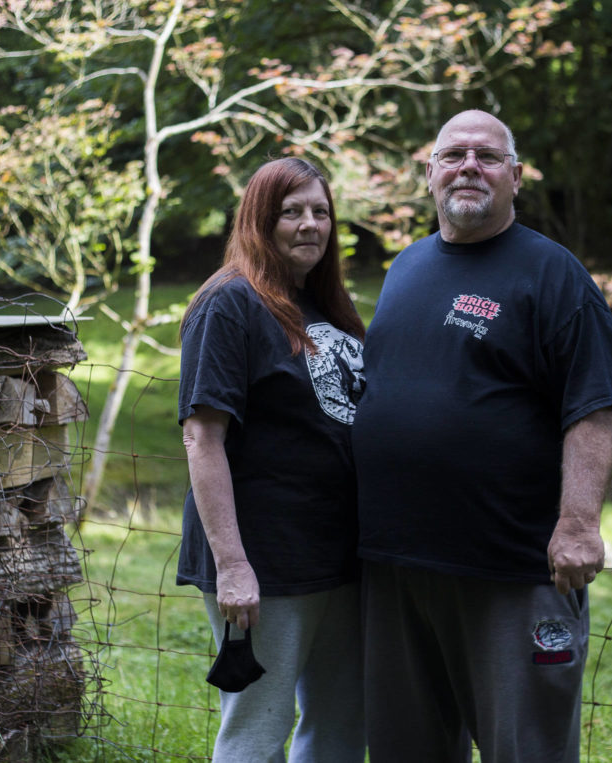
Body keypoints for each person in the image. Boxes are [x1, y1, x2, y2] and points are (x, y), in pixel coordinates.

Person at [351, 110, 612, 762]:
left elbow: (594, 407)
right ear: (429, 175)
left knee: (527, 748)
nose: (469, 166)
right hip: (397, 570)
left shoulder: (553, 274)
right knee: (405, 749)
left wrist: (578, 522)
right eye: (454, 154)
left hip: (511, 570)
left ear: (515, 175)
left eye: (487, 155)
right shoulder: (405, 269)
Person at [177, 157, 366, 762]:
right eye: (291, 212)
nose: (310, 225)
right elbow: (202, 439)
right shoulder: (229, 304)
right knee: (259, 727)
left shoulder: (324, 306)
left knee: (343, 722)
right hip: (266, 563)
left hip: (339, 556)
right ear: (260, 219)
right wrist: (233, 565)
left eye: (320, 212)